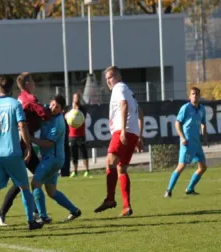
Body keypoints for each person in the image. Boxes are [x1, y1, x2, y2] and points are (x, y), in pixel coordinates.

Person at [0, 76, 44, 234]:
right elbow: (22, 125)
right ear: (11, 88)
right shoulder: (15, 104)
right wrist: (28, 146)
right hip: (12, 153)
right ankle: (30, 221)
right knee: (24, 187)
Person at [0, 72, 51, 226]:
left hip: (21, 142)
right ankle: (35, 212)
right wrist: (52, 111)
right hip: (22, 144)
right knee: (34, 176)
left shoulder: (21, 98)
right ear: (26, 84)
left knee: (24, 180)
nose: (35, 84)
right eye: (32, 81)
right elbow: (42, 114)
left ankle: (26, 212)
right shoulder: (28, 98)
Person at [94, 66, 143, 217]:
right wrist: (139, 136)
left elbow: (124, 105)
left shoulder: (118, 88)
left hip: (123, 131)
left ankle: (110, 199)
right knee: (121, 169)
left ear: (118, 76)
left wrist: (122, 130)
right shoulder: (129, 90)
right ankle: (126, 207)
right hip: (132, 133)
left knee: (110, 163)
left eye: (111, 77)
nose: (108, 81)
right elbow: (141, 113)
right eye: (107, 78)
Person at [31, 94, 82, 222]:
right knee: (51, 191)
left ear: (61, 110)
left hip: (53, 159)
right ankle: (74, 211)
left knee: (35, 183)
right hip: (53, 158)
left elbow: (48, 143)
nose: (53, 108)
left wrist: (31, 139)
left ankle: (43, 216)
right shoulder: (46, 109)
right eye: (53, 104)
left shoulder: (59, 123)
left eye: (57, 107)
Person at [164, 87, 208, 197]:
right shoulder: (185, 108)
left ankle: (190, 189)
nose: (195, 96)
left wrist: (205, 138)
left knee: (203, 167)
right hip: (187, 143)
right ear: (189, 96)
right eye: (193, 94)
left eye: (197, 94)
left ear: (199, 96)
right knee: (181, 166)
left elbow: (203, 123)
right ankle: (168, 190)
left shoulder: (202, 109)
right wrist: (182, 138)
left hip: (197, 143)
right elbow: (177, 123)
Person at [66, 92, 90, 177]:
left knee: (84, 153)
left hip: (81, 135)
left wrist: (76, 109)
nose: (75, 99)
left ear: (79, 99)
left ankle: (87, 170)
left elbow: (83, 117)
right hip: (71, 135)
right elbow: (66, 117)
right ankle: (75, 171)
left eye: (77, 98)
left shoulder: (82, 109)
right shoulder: (69, 108)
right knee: (74, 154)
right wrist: (71, 110)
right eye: (74, 98)